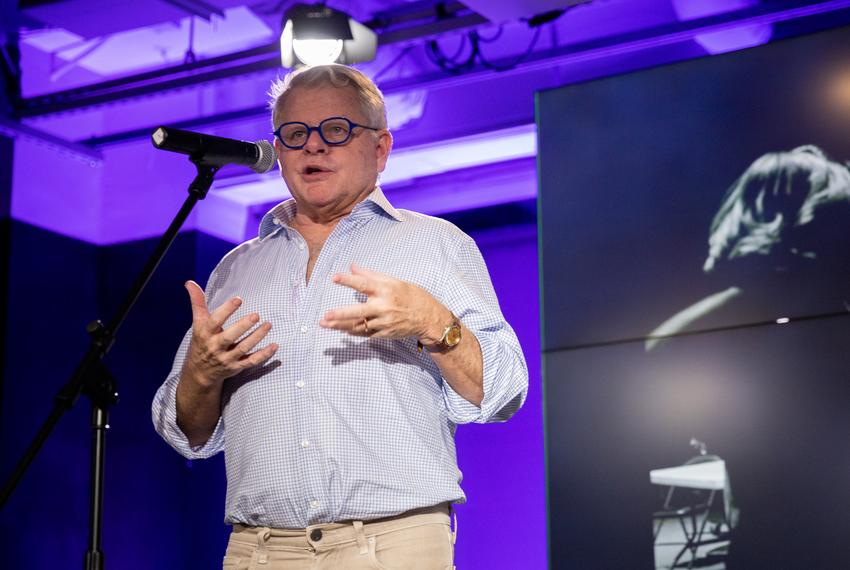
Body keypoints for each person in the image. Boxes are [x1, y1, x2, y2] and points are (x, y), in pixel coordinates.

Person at [151, 64, 528, 569]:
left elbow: (503, 391)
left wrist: (433, 321)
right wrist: (202, 374)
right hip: (257, 550)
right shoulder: (236, 270)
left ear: (380, 149)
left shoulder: (434, 245)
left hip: (392, 546)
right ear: (279, 150)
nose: (314, 146)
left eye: (336, 130)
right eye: (295, 133)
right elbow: (189, 434)